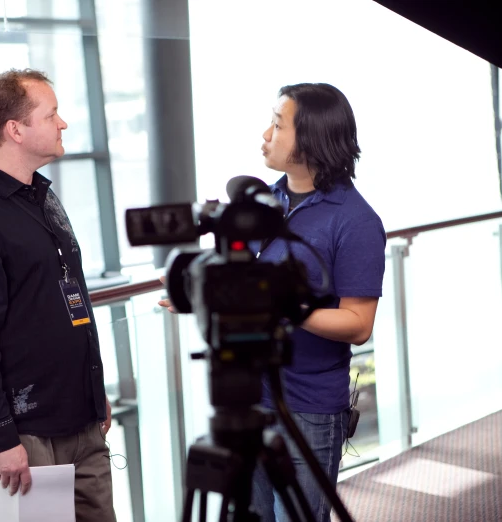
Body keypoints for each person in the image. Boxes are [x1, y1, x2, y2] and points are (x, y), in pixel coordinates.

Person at [159, 83, 386, 522]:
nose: (266, 133)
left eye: (279, 124)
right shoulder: (263, 204)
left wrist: (280, 305)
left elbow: (359, 324)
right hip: (248, 395)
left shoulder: (355, 220)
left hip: (309, 407)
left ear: (313, 137)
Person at [0, 68, 115, 522]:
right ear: (14, 129)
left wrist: (94, 393)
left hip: (81, 422)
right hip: (19, 437)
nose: (63, 123)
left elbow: (63, 297)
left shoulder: (40, 197)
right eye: (52, 113)